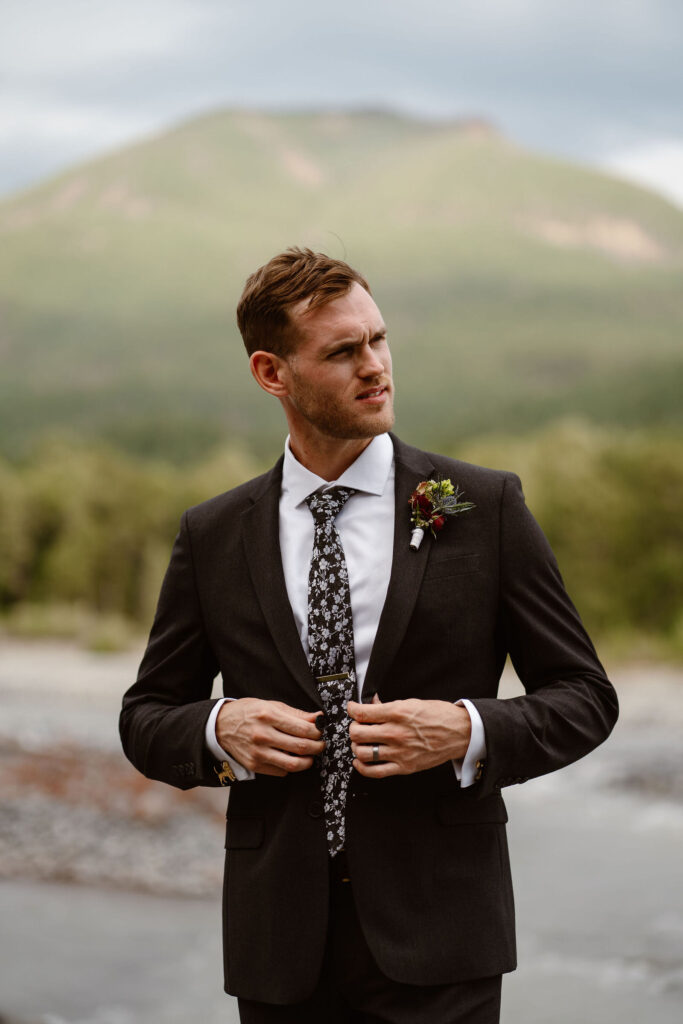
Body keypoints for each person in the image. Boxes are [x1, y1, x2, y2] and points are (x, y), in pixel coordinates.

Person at [120, 247, 618, 1024]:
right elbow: (147, 716)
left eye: (378, 340)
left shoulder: (478, 507)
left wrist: (466, 728)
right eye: (343, 351)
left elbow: (586, 697)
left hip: (441, 935)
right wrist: (220, 727)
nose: (375, 367)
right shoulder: (214, 533)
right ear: (270, 372)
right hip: (278, 944)